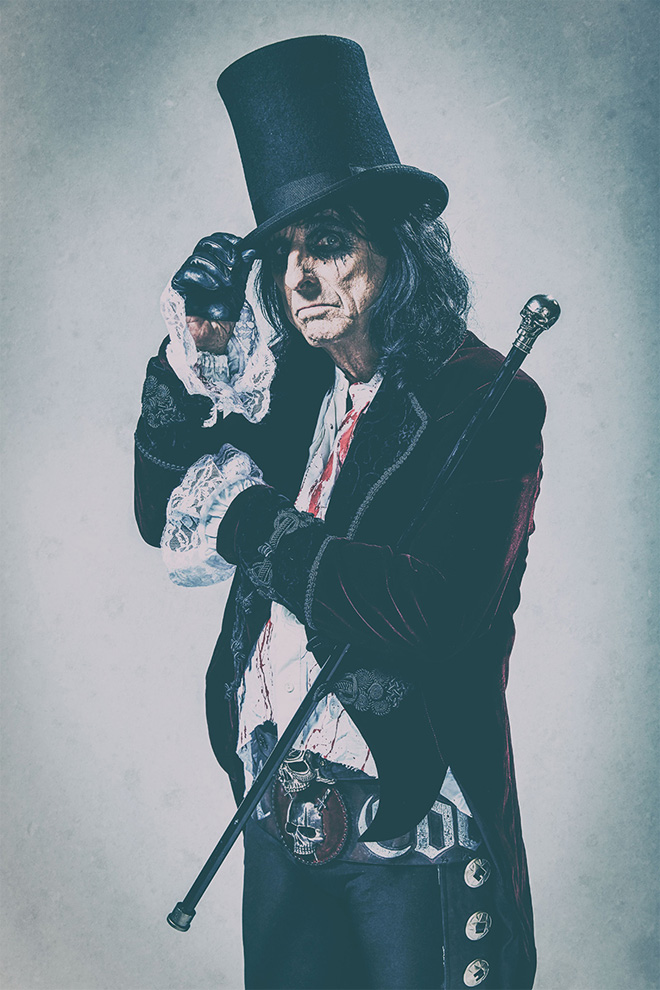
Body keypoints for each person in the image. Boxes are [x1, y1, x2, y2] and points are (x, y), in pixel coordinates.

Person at [134, 36, 546, 990]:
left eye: (327, 244)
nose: (299, 279)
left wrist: (250, 520)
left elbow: (430, 613)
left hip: (412, 838)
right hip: (279, 823)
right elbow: (164, 512)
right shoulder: (291, 391)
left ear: (398, 250)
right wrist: (191, 357)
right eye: (284, 255)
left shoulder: (481, 399)